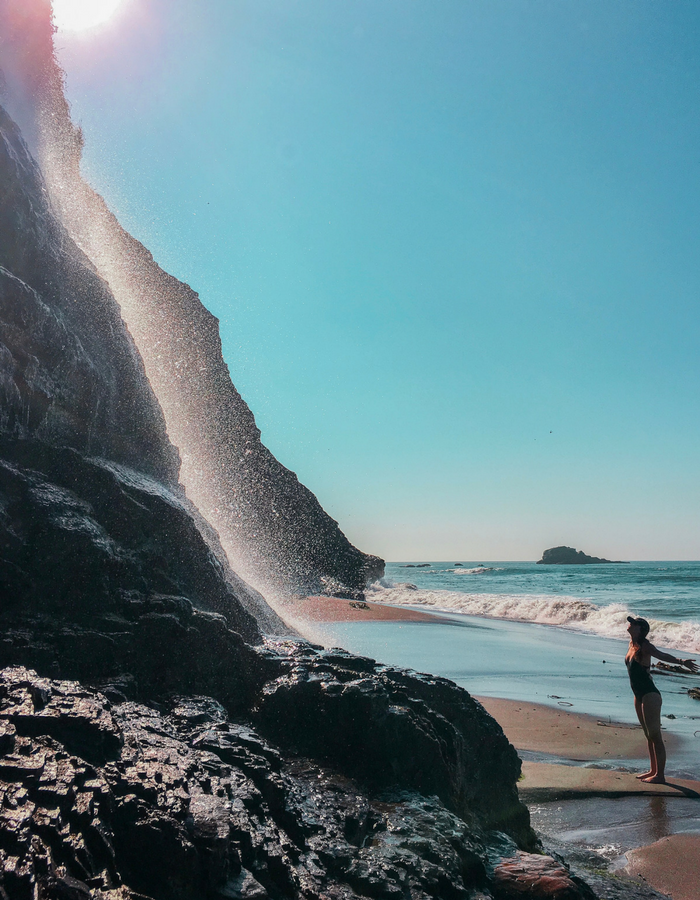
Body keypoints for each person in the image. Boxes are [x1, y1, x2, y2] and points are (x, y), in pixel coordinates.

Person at [625, 615, 698, 784]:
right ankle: (652, 770)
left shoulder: (645, 645)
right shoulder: (631, 645)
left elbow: (661, 655)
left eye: (633, 623)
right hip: (638, 695)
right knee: (647, 735)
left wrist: (681, 661)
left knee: (655, 735)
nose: (630, 624)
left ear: (641, 629)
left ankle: (660, 775)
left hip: (650, 694)